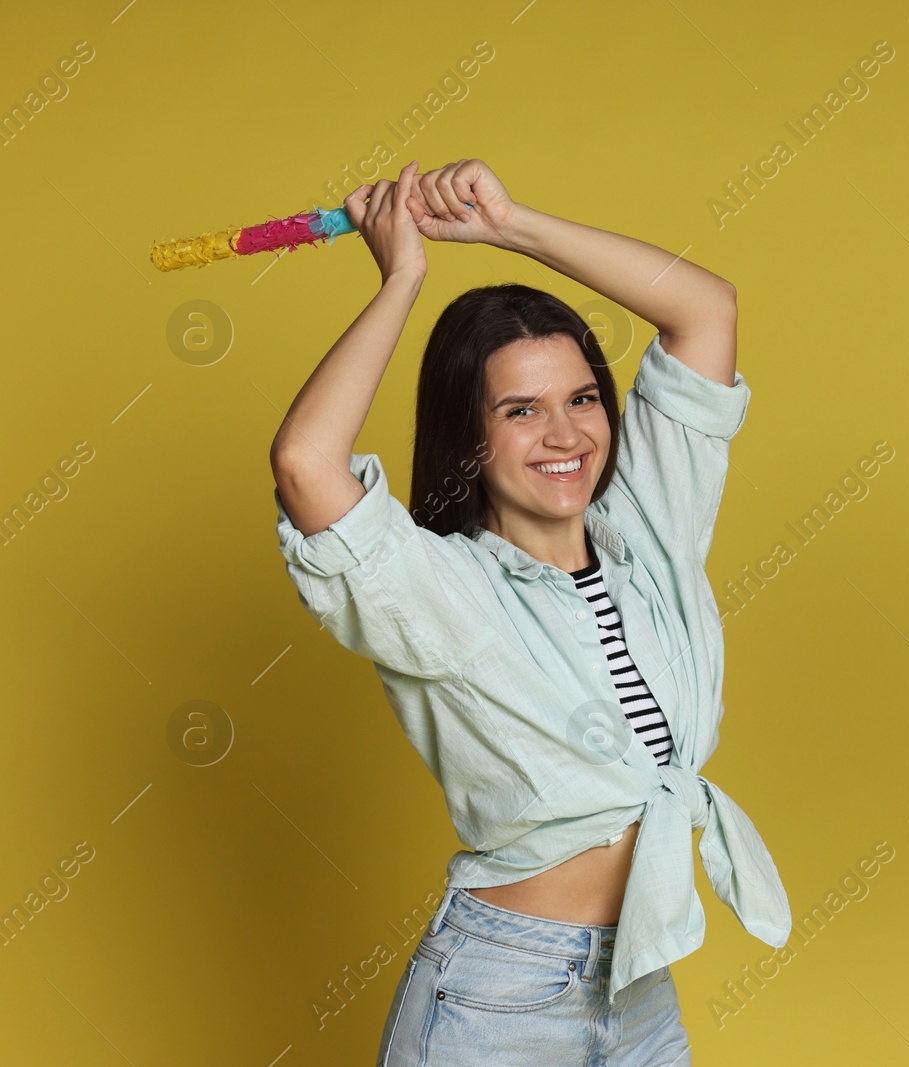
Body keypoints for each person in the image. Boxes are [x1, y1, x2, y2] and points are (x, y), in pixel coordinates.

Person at [269, 159, 791, 1065]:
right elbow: (307, 465)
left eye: (582, 398)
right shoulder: (441, 590)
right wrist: (403, 276)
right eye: (522, 410)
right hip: (494, 1003)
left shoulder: (648, 531)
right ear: (471, 434)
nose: (566, 435)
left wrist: (507, 224)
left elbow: (705, 310)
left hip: (636, 987)